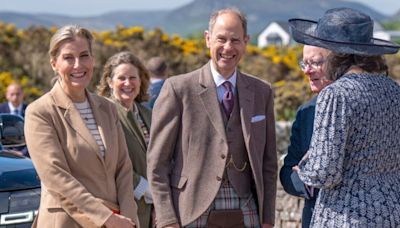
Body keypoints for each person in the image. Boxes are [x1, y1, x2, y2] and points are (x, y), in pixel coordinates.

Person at [147, 8, 277, 228]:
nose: (228, 47)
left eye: (235, 40)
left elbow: (269, 162)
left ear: (246, 41)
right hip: (191, 211)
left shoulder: (261, 91)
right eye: (221, 39)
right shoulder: (178, 89)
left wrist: (267, 219)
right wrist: (167, 220)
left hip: (247, 209)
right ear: (208, 39)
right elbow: (156, 164)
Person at [289, 7, 400, 227]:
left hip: (347, 213)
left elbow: (324, 173)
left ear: (336, 54)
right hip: (391, 211)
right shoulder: (393, 90)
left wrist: (304, 169)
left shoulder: (336, 94)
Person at [24, 25, 139, 228]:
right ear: (54, 64)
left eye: (84, 56)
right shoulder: (40, 112)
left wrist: (129, 219)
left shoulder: (108, 108)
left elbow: (123, 168)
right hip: (68, 221)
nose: (78, 65)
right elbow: (56, 177)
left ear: (92, 60)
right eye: (69, 58)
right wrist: (106, 219)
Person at [97, 51, 153, 228]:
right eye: (121, 78)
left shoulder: (148, 114)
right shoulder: (103, 114)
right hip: (123, 209)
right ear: (109, 81)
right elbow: (108, 163)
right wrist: (145, 189)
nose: (128, 83)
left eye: (133, 77)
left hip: (155, 208)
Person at [280, 45, 332, 228]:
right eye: (305, 63)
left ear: (338, 62)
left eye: (316, 63)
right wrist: (308, 182)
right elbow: (287, 173)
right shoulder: (305, 112)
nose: (307, 71)